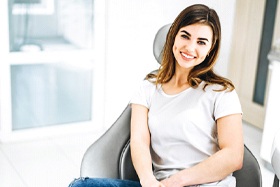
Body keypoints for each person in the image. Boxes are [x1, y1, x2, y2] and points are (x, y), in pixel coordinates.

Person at [68, 4, 243, 187]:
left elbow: (233, 156)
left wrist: (175, 182)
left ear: (210, 48)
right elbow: (139, 140)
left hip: (204, 185)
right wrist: (148, 180)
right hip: (157, 184)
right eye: (185, 36)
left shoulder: (221, 92)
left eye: (201, 42)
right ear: (173, 36)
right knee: (81, 185)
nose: (190, 47)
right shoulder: (148, 87)